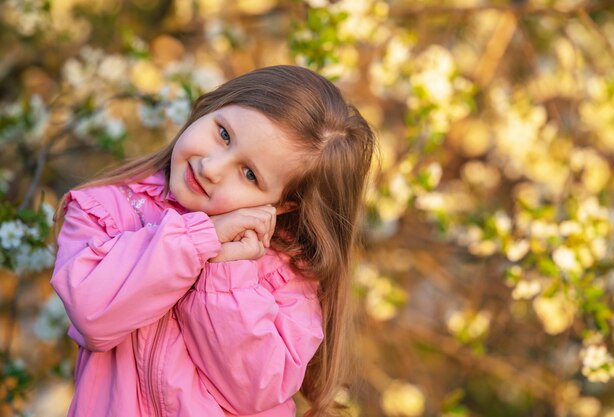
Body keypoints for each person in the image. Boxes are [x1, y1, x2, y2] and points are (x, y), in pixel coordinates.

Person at [51, 65, 375, 417]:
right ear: (208, 107)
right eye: (223, 134)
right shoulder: (106, 212)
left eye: (249, 174)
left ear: (282, 205)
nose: (212, 167)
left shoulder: (286, 275)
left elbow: (255, 387)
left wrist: (227, 272)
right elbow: (93, 313)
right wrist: (198, 240)